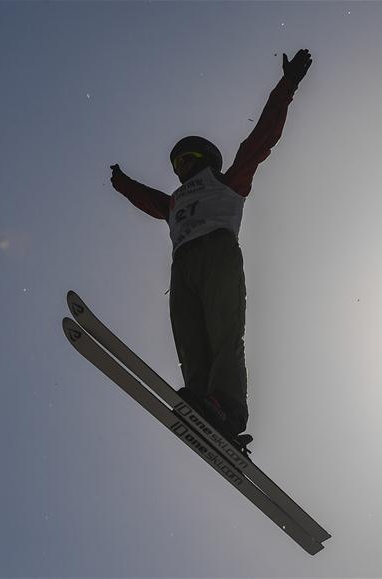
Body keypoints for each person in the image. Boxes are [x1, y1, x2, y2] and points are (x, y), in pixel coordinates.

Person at [109, 49, 313, 445]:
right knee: (189, 337)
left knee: (223, 331)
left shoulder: (228, 181)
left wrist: (287, 85)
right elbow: (149, 200)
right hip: (182, 265)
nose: (181, 168)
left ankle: (228, 404)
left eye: (187, 159)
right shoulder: (174, 203)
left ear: (205, 159)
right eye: (177, 163)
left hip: (217, 253)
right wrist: (122, 183)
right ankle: (203, 401)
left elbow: (260, 141)